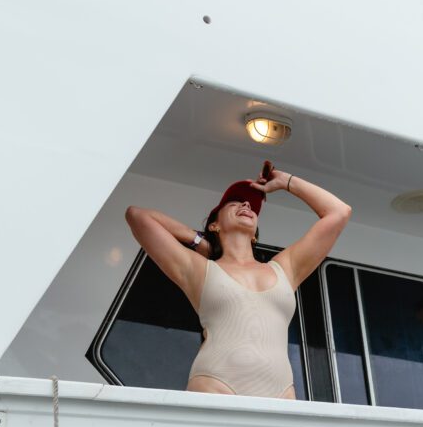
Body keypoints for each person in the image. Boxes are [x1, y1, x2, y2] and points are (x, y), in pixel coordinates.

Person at [125, 165, 352, 399]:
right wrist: (200, 242)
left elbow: (339, 212)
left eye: (252, 206)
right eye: (235, 202)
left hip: (281, 395)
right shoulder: (199, 269)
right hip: (216, 386)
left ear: (255, 233)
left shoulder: (286, 267)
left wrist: (286, 181)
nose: (246, 205)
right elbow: (138, 216)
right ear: (214, 225)